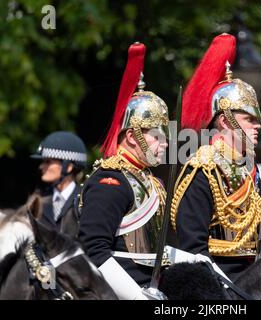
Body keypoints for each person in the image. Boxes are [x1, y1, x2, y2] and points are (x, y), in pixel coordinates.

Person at [170, 33, 261, 282]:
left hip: (253, 280)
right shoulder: (203, 169)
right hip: (214, 285)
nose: (257, 126)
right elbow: (193, 250)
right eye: (249, 119)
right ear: (225, 120)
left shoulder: (247, 170)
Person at [77, 42, 169, 300]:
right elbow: (94, 249)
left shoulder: (149, 180)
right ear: (132, 136)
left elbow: (154, 253)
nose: (165, 144)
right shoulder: (111, 181)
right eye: (157, 137)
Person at [31, 131, 87, 238]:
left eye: (47, 162)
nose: (41, 166)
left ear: (68, 166)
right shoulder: (37, 198)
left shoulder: (84, 200)